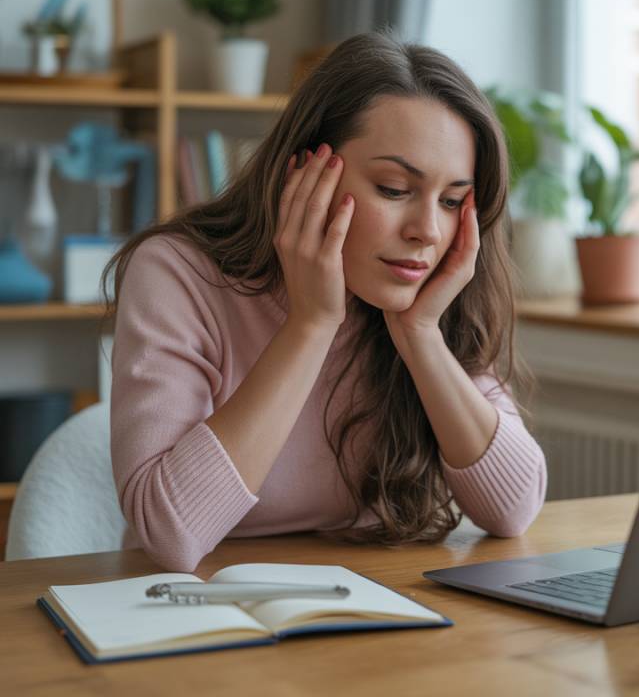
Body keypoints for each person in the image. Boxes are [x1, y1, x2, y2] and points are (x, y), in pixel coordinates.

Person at [102, 31, 547, 572]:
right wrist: (311, 324)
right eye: (393, 189)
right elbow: (171, 534)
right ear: (306, 172)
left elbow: (514, 508)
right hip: (193, 614)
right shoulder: (178, 272)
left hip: (362, 603)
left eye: (452, 200)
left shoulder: (426, 297)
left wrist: (420, 336)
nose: (428, 231)